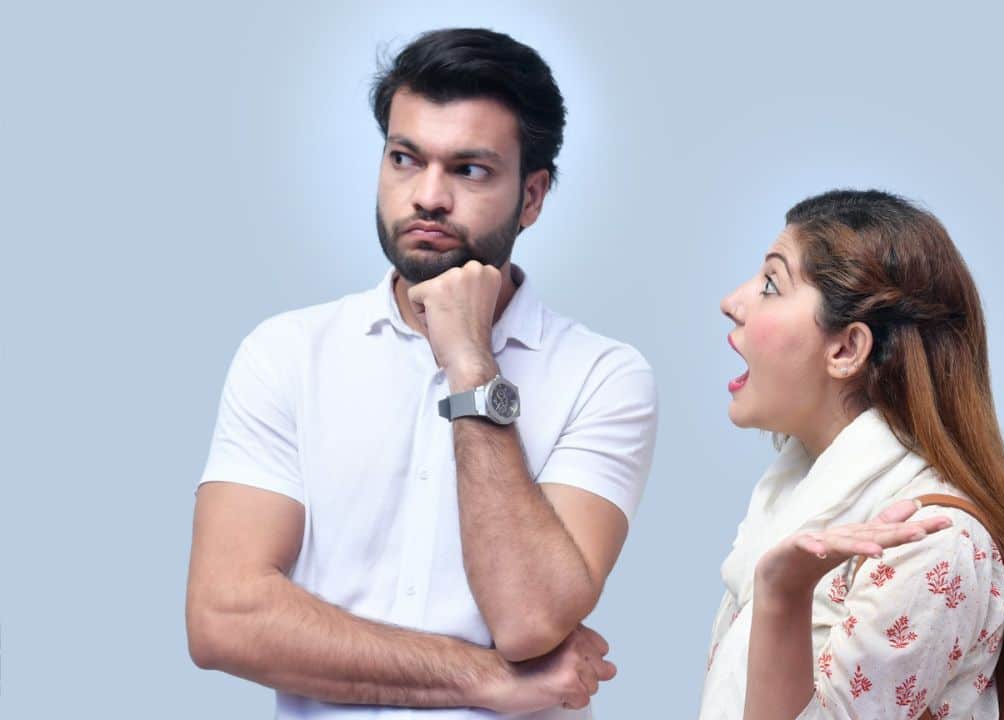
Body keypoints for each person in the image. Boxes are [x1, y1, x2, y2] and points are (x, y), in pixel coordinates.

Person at [185, 28, 658, 719]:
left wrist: (470, 361)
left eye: (469, 170)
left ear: (532, 197)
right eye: (405, 159)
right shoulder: (286, 352)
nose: (428, 196)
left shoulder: (604, 376)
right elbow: (224, 616)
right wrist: (483, 679)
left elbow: (530, 618)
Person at [700, 190, 1004, 719]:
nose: (733, 301)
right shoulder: (786, 509)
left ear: (845, 350)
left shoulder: (932, 542)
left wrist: (782, 594)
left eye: (772, 284)